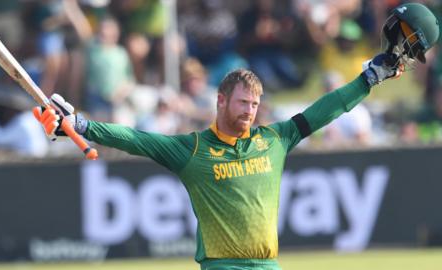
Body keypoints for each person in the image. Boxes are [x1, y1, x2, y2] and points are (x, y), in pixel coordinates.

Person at [32, 4, 438, 269]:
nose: (250, 111)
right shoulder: (192, 150)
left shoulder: (274, 139)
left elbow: (323, 110)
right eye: (243, 103)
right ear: (221, 101)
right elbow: (134, 138)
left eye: (255, 104)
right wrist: (81, 124)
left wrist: (368, 79)